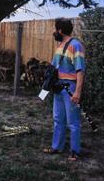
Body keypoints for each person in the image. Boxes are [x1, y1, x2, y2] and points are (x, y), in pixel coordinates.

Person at [43, 18, 85, 162]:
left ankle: (75, 152)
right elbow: (54, 68)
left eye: (55, 29)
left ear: (60, 30)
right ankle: (57, 147)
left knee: (72, 122)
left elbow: (80, 71)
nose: (54, 32)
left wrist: (77, 92)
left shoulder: (76, 46)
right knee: (57, 119)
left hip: (70, 88)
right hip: (58, 87)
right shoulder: (60, 46)